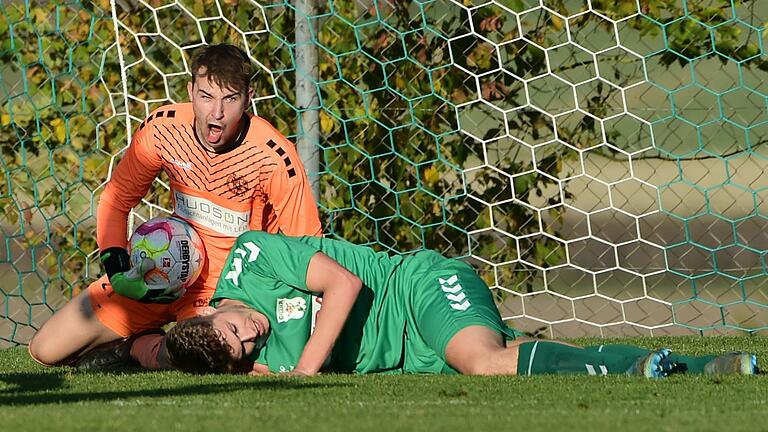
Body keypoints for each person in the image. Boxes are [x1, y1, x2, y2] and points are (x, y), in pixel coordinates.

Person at [28, 44, 323, 370]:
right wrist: (118, 267)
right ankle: (145, 340)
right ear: (190, 91)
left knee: (204, 358)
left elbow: (307, 243)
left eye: (230, 99)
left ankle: (139, 349)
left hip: (226, 291)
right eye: (207, 96)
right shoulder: (163, 128)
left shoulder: (273, 155)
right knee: (46, 350)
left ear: (248, 97)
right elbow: (117, 197)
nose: (216, 113)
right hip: (160, 270)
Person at [165, 231, 760, 377]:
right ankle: (665, 365)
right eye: (244, 348)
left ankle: (654, 368)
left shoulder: (250, 256)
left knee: (483, 361)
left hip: (415, 287)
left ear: (207, 308)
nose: (255, 332)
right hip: (410, 355)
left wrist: (300, 373)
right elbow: (171, 356)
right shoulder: (240, 355)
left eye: (239, 326)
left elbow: (344, 285)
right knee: (507, 361)